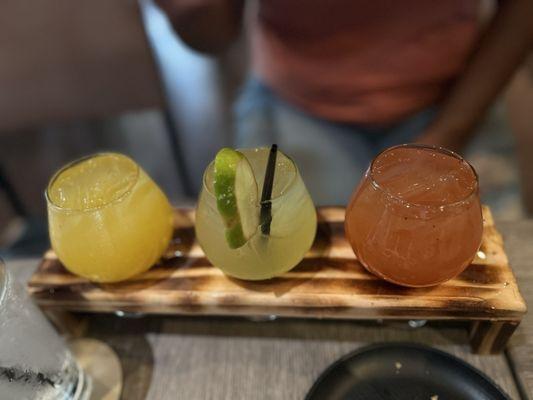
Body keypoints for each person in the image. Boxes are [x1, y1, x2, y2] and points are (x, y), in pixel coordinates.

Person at [155, 0, 533, 204]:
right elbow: (214, 32)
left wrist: (452, 130)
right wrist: (195, 12)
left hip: (455, 93)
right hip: (295, 101)